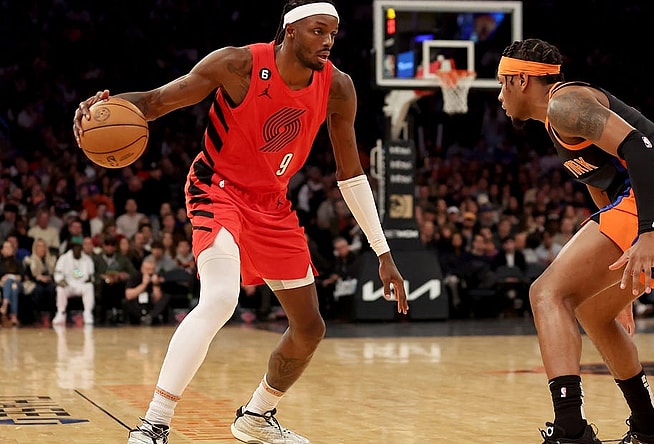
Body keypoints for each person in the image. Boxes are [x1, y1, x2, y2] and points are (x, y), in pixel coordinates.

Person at [72, 2, 408, 443]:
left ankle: (255, 417)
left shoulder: (338, 87)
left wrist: (383, 251)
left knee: (309, 328)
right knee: (220, 299)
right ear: (290, 30)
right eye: (317, 30)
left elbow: (351, 173)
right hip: (218, 189)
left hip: (272, 203)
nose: (328, 40)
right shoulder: (237, 65)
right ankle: (154, 423)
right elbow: (155, 102)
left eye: (334, 33)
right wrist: (107, 107)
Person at [497, 38, 654, 444]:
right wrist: (619, 290)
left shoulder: (565, 103)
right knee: (595, 313)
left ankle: (570, 430)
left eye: (503, 83)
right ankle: (650, 429)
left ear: (522, 80)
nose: (500, 95)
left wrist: (648, 231)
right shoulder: (554, 122)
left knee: (546, 293)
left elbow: (639, 147)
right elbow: (603, 189)